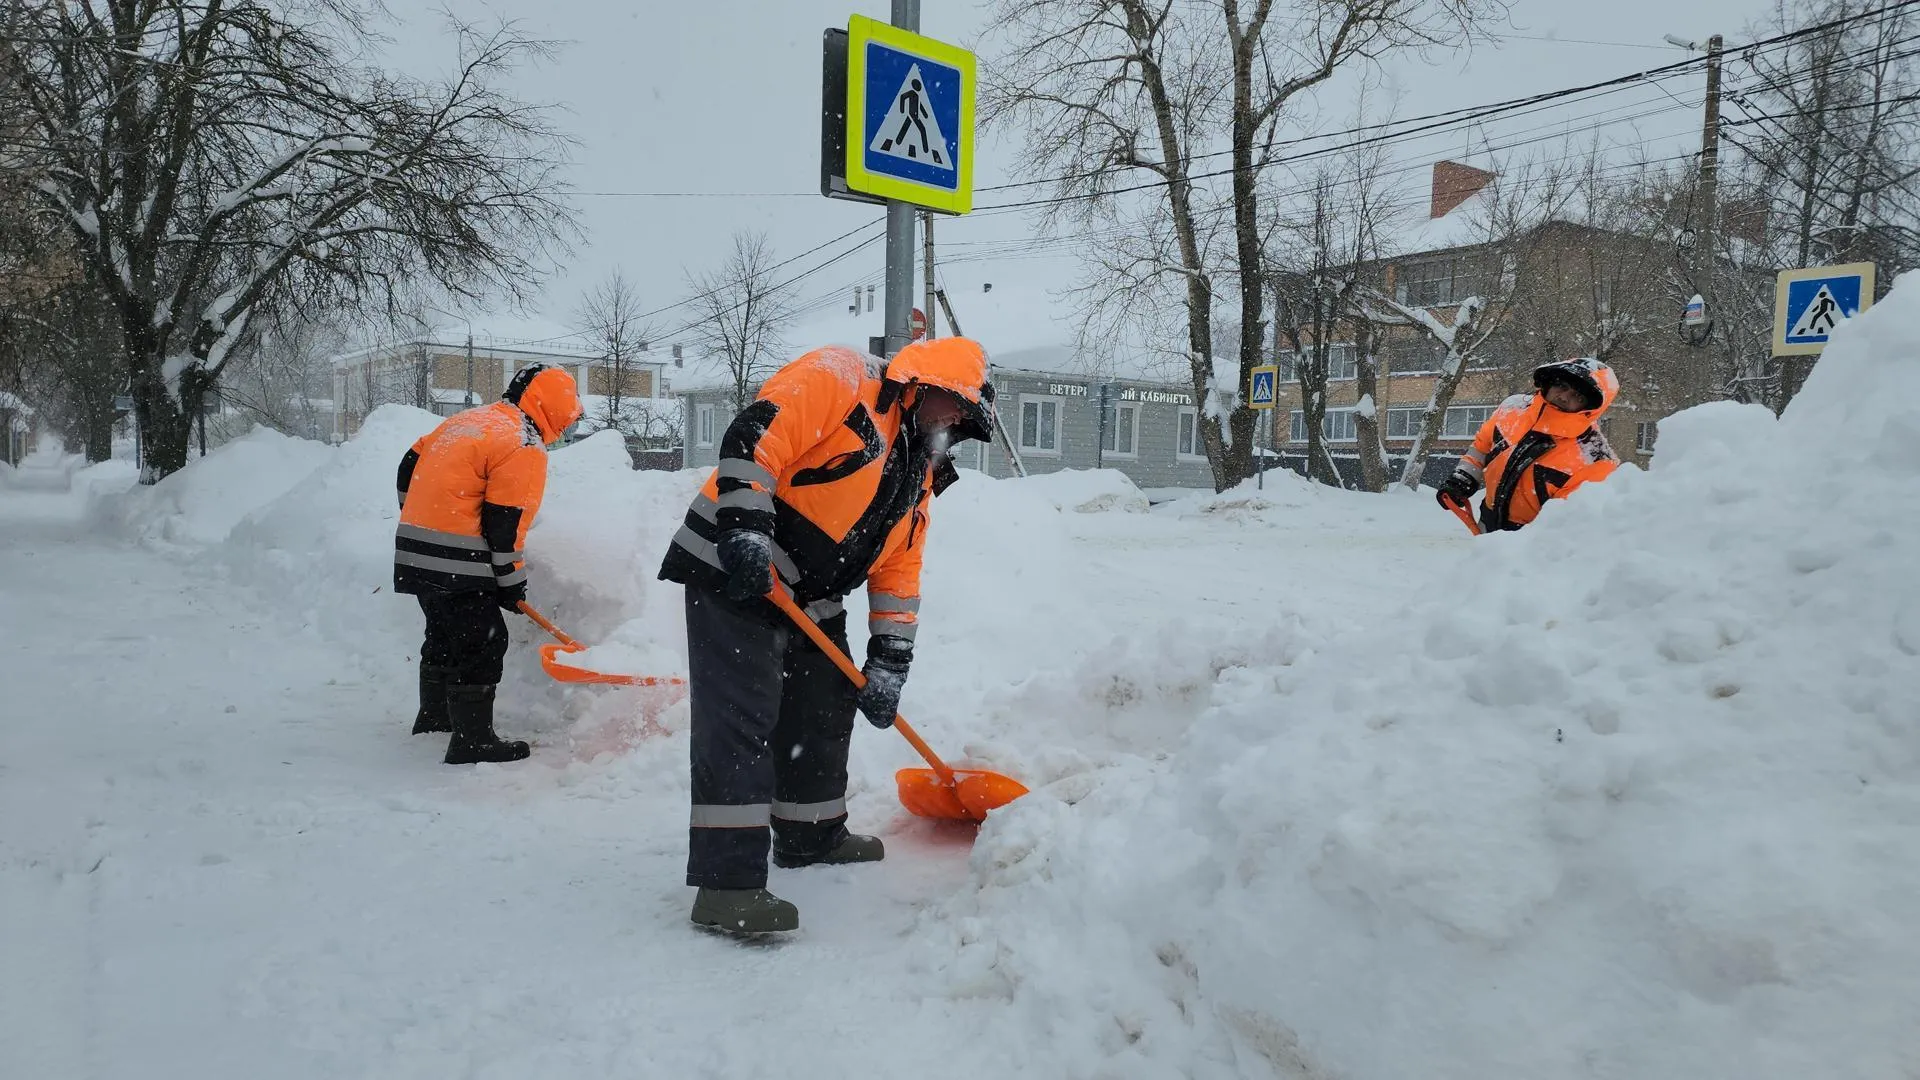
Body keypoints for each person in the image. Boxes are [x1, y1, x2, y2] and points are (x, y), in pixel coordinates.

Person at [657, 337, 997, 934]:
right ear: (922, 383)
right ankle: (726, 886)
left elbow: (898, 572)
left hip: (809, 596)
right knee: (742, 718)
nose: (950, 422)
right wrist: (745, 529)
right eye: (949, 407)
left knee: (823, 703)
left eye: (961, 419)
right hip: (732, 563)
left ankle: (809, 833)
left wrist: (890, 662)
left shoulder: (916, 476)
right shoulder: (839, 377)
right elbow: (753, 437)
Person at [393, 362, 583, 764]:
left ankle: (434, 718)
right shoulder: (523, 442)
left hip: (416, 552)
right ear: (552, 407)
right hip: (460, 559)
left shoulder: (470, 421)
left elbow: (409, 461)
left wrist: (416, 515)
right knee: (484, 641)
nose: (564, 429)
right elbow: (505, 523)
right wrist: (511, 581)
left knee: (444, 634)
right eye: (565, 419)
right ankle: (472, 741)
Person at [1436, 357, 1621, 533]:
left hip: (1532, 549)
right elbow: (1481, 447)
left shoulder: (1595, 460)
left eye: (1577, 396)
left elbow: (1566, 527)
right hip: (1486, 527)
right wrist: (1463, 478)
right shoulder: (1512, 409)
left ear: (1591, 408)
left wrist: (1524, 548)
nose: (1564, 396)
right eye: (1562, 386)